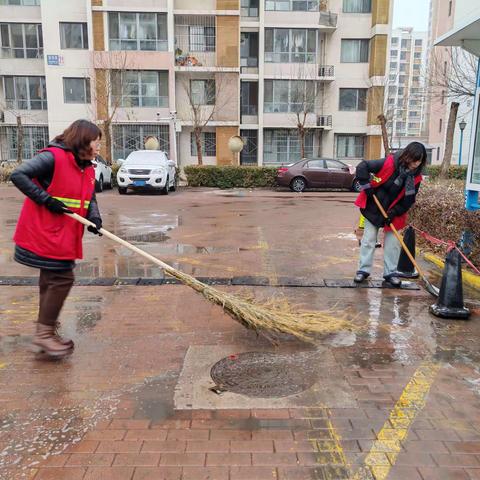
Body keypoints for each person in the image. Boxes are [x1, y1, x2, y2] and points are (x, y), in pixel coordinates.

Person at [11, 119, 103, 358]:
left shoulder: (88, 166)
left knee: (50, 280)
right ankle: (43, 335)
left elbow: (89, 197)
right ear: (83, 140)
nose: (99, 146)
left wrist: (94, 218)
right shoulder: (54, 157)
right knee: (62, 278)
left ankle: (46, 333)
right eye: (96, 141)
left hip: (65, 235)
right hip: (44, 232)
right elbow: (18, 174)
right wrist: (46, 200)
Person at [353, 142, 427, 287]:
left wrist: (394, 213)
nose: (415, 164)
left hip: (394, 212)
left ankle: (390, 273)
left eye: (419, 160)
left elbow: (409, 200)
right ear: (407, 156)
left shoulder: (415, 178)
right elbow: (363, 166)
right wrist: (367, 186)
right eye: (414, 159)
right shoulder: (389, 163)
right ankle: (363, 270)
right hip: (374, 206)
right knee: (369, 240)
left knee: (393, 243)